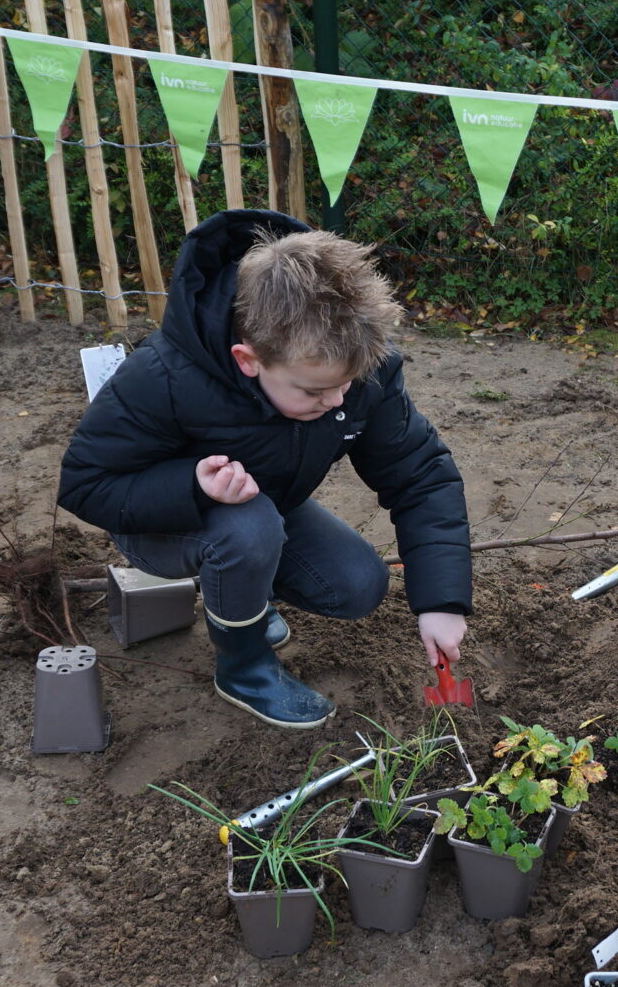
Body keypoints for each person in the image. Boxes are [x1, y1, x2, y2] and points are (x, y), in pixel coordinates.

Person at [58, 210, 471, 729]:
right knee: (245, 528)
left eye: (347, 383)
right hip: (159, 523)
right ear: (248, 360)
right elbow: (85, 484)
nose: (338, 399)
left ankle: (241, 593)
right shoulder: (165, 375)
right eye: (315, 391)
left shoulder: (357, 367)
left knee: (358, 585)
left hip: (270, 508)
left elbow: (420, 474)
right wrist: (192, 486)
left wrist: (441, 601)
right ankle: (245, 668)